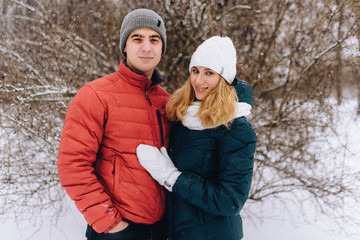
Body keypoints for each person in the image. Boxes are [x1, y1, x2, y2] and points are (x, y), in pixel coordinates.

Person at [57, 9, 171, 240]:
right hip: (117, 229)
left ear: (162, 48)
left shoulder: (167, 102)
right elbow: (73, 166)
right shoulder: (96, 95)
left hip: (162, 229)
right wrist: (111, 225)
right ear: (125, 46)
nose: (146, 47)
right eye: (137, 38)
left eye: (154, 39)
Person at [136, 36, 257, 240]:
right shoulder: (185, 114)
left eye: (209, 73)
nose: (199, 81)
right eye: (195, 71)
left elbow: (230, 200)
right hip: (177, 231)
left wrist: (172, 177)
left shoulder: (236, 128)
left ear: (224, 78)